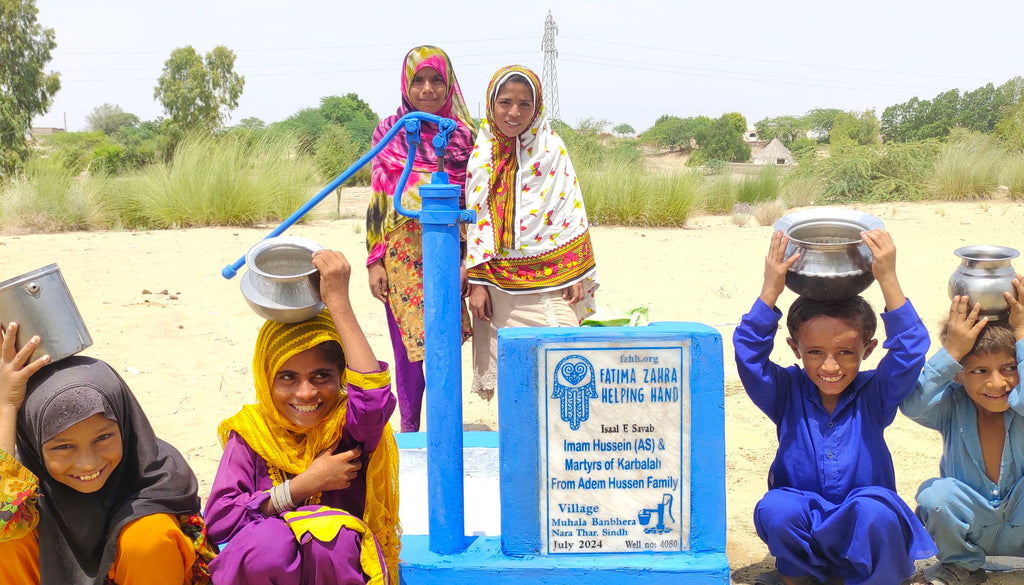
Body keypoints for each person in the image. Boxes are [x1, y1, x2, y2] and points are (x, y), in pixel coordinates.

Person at [733, 229, 935, 585]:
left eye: (845, 353)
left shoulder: (876, 393)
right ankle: (801, 577)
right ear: (795, 348)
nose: (830, 367)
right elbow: (748, 354)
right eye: (815, 353)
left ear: (868, 351)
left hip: (865, 532)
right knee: (777, 507)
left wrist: (887, 277)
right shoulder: (784, 392)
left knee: (874, 510)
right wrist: (771, 289)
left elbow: (911, 348)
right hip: (808, 528)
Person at [204, 249, 400, 585]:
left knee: (331, 535)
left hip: (336, 571)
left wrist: (337, 301)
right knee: (269, 543)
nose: (306, 393)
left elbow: (373, 398)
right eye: (288, 377)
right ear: (266, 379)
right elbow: (220, 520)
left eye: (322, 376)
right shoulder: (252, 433)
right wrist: (300, 487)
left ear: (342, 377)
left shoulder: (346, 428)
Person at [0, 325, 216, 585]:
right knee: (6, 533)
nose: (88, 463)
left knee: (149, 536)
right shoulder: (24, 486)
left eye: (103, 438)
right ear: (34, 446)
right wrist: (7, 404)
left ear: (126, 426)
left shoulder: (157, 479)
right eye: (63, 447)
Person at [464, 65, 598, 399]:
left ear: (537, 107)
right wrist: (478, 284)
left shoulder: (551, 149)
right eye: (505, 102)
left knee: (561, 363)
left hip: (553, 281)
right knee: (513, 381)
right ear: (491, 105)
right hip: (497, 288)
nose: (514, 112)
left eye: (525, 104)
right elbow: (478, 223)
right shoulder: (482, 154)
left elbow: (571, 210)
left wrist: (576, 273)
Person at [365, 45, 475, 432]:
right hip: (400, 250)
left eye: (436, 80)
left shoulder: (463, 138)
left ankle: (446, 430)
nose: (427, 89)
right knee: (406, 351)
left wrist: (466, 262)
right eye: (418, 80)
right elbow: (379, 197)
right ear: (405, 85)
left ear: (449, 86)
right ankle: (410, 430)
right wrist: (375, 260)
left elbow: (473, 202)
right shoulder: (390, 131)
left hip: (447, 246)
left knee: (442, 345)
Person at [900, 274, 1024, 585]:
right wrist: (952, 351)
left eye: (1010, 367)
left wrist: (1021, 335)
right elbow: (912, 403)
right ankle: (961, 565)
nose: (998, 383)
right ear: (958, 375)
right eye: (979, 371)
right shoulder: (950, 405)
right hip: (973, 525)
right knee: (935, 495)